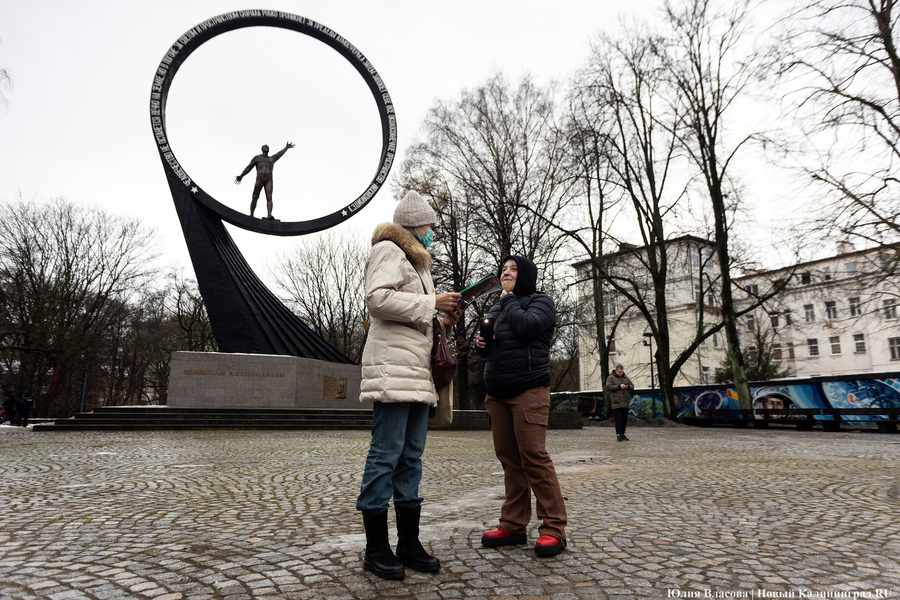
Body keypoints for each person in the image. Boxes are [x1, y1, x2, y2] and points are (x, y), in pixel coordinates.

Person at [356, 190, 464, 580]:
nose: (433, 231)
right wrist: (432, 303)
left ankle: (409, 542)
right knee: (386, 455)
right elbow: (378, 300)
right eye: (430, 225)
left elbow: (413, 312)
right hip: (392, 368)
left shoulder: (418, 264)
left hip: (416, 370)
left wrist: (440, 319)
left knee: (411, 457)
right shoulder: (389, 249)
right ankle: (376, 547)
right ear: (416, 225)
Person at [475, 255, 568, 557]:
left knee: (534, 457)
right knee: (510, 461)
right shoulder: (496, 307)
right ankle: (513, 526)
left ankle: (554, 529)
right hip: (497, 393)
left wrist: (508, 301)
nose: (507, 272)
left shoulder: (541, 302)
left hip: (529, 389)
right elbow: (496, 346)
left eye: (513, 269)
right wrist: (482, 344)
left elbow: (528, 327)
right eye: (503, 269)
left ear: (526, 273)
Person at [234, 142, 294, 220]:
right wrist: (241, 175)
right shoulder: (257, 158)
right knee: (255, 196)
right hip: (260, 179)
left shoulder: (271, 159)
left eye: (267, 147)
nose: (266, 148)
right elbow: (249, 167)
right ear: (262, 149)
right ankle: (251, 214)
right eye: (265, 147)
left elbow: (279, 154)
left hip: (269, 179)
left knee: (269, 197)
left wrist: (286, 148)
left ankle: (269, 214)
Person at [605, 364, 634, 441]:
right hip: (616, 402)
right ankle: (618, 434)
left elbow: (632, 386)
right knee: (618, 419)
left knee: (624, 419)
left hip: (625, 402)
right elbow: (608, 387)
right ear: (616, 370)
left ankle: (623, 433)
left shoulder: (626, 377)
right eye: (619, 372)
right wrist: (619, 386)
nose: (621, 373)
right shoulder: (611, 377)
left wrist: (628, 387)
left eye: (622, 372)